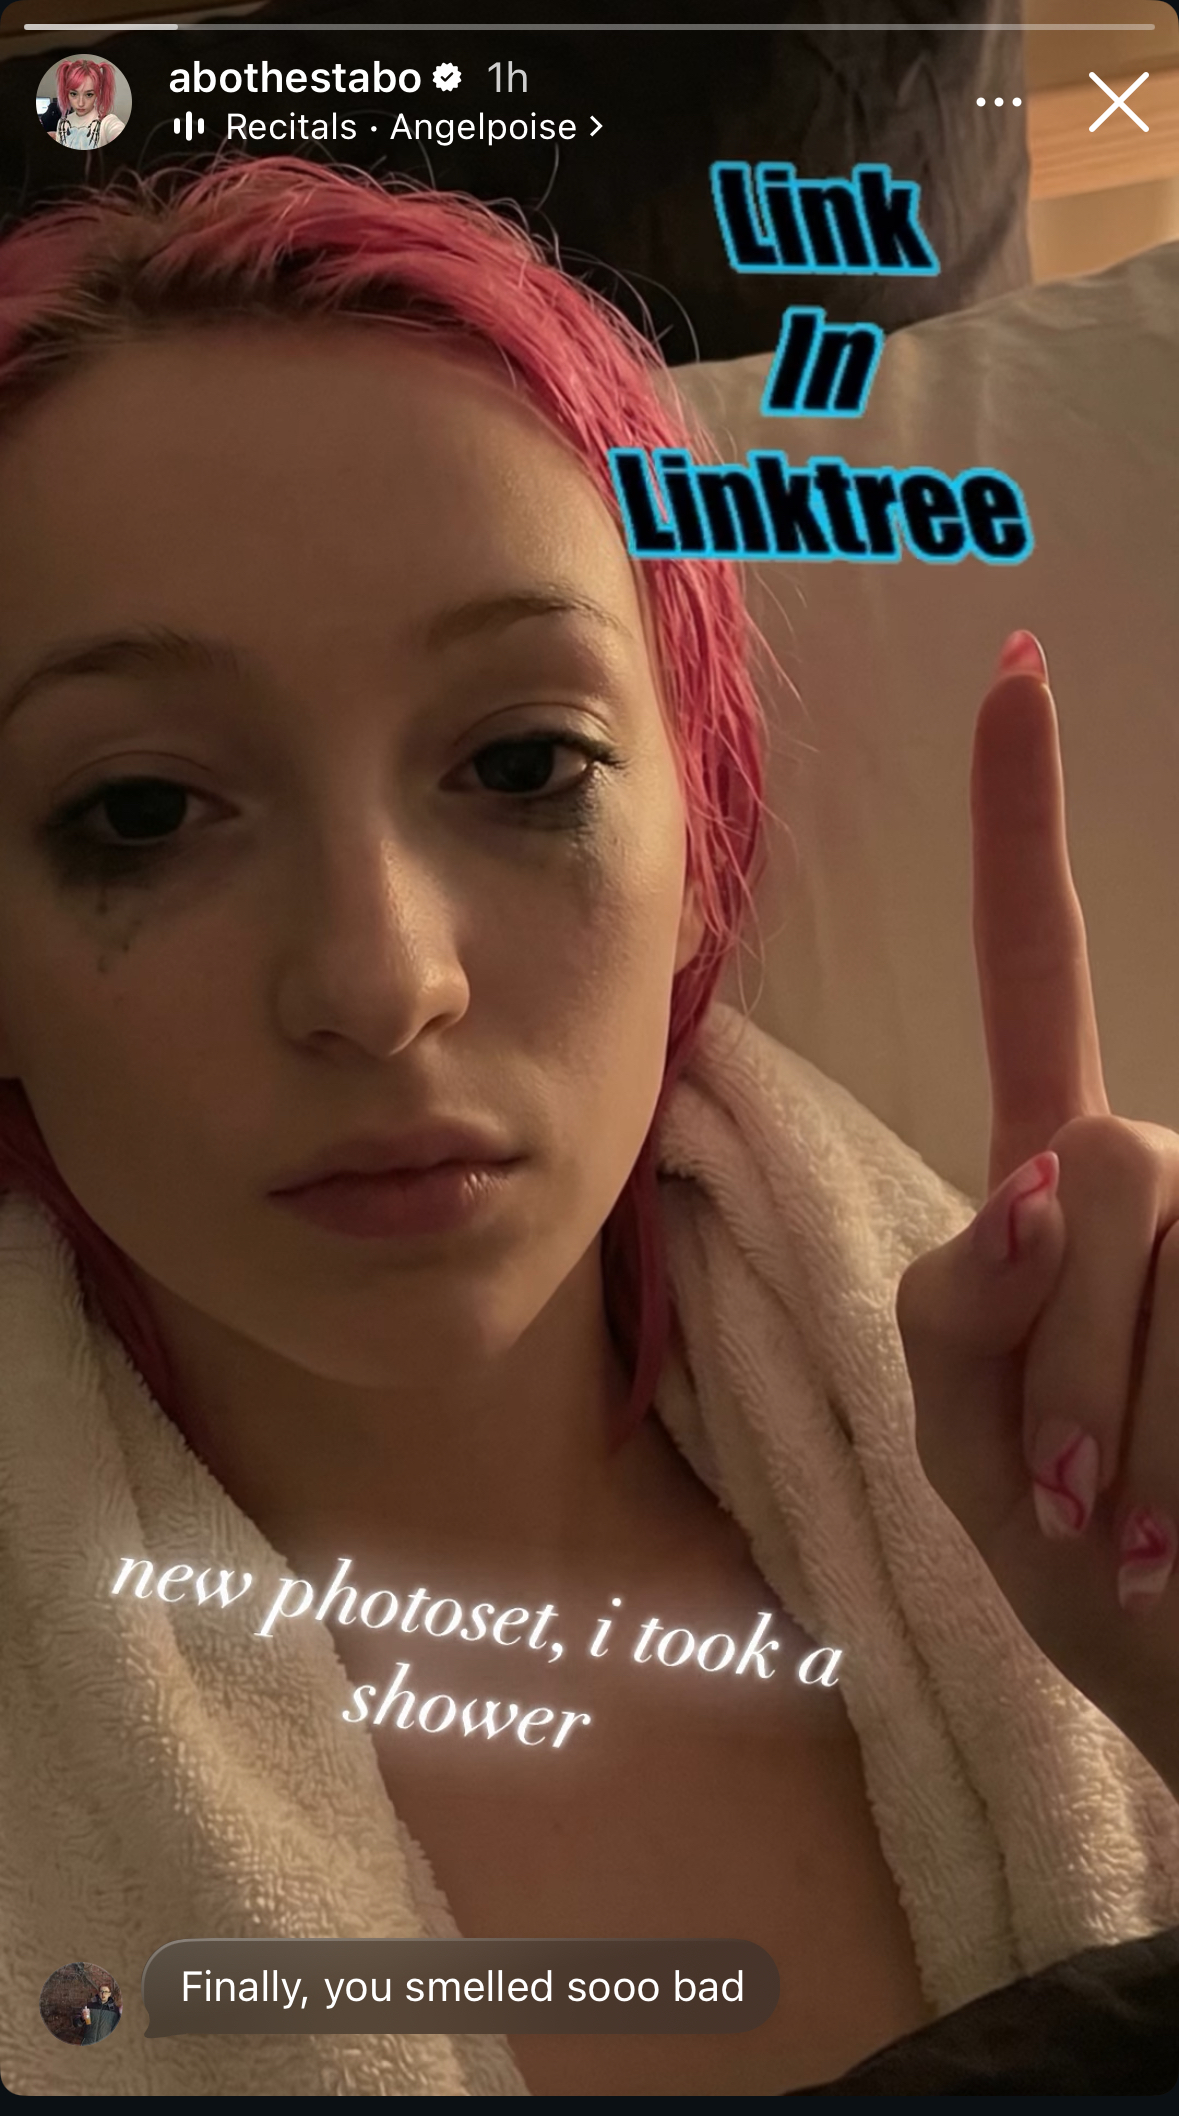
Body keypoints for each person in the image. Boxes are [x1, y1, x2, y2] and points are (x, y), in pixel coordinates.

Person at [0, 156, 1175, 2098]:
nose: (380, 980)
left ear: (699, 856)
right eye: (140, 811)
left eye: (522, 760)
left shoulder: (1081, 1530)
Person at [51, 60, 125, 152]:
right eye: (74, 94)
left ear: (97, 93)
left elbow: (116, 129)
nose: (80, 103)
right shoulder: (62, 123)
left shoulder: (107, 122)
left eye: (89, 94)